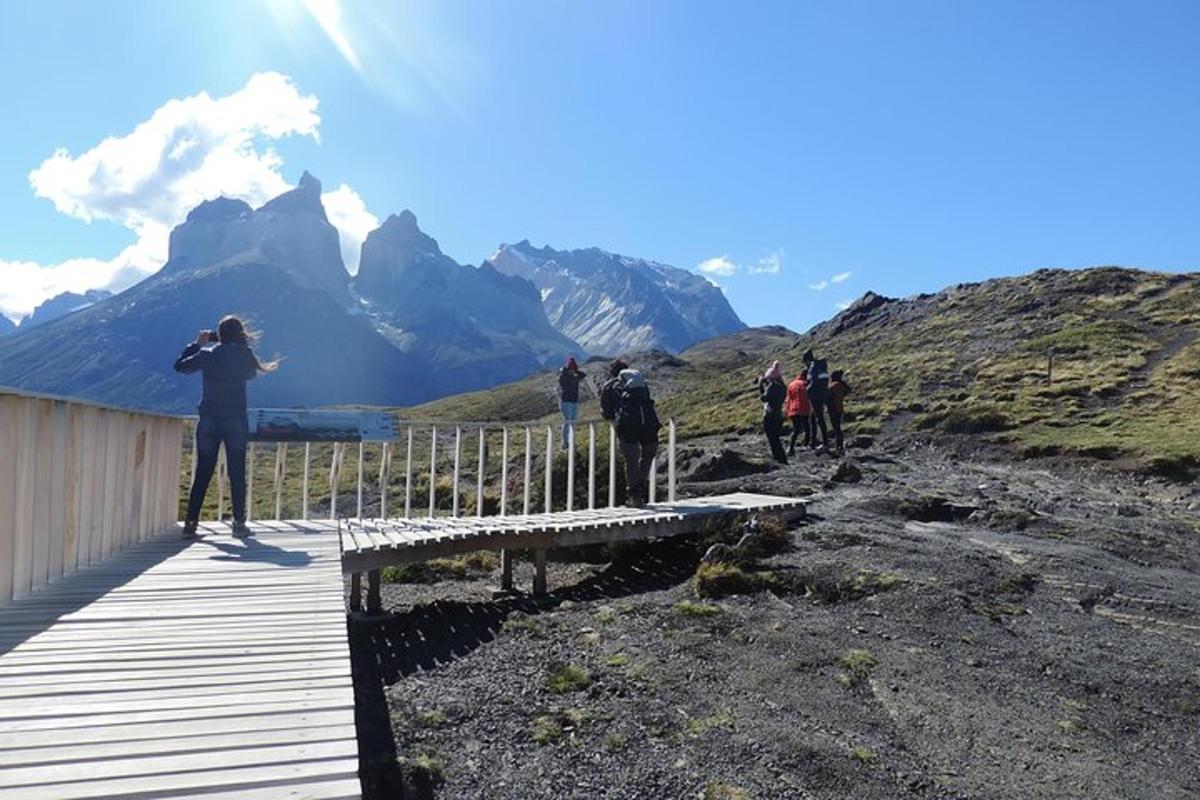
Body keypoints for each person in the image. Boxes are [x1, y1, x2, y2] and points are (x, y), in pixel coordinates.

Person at [174, 316, 278, 539]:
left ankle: (191, 524)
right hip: (236, 421)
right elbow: (250, 374)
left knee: (203, 472)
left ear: (219, 334)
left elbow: (180, 367)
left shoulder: (207, 354)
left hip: (210, 419)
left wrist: (198, 344)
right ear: (240, 333)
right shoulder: (245, 355)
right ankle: (239, 524)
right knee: (237, 472)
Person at [601, 363, 661, 507]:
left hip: (628, 425)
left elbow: (606, 412)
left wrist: (614, 419)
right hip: (649, 423)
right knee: (647, 457)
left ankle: (635, 496)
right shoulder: (640, 384)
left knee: (631, 460)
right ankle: (640, 490)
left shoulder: (610, 386)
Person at [759, 360, 788, 464]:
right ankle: (781, 458)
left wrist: (760, 386)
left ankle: (779, 459)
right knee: (776, 438)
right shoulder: (783, 386)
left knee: (772, 439)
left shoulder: (773, 386)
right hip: (778, 414)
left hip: (770, 415)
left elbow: (763, 398)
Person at [803, 349, 831, 451]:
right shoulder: (821, 366)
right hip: (822, 394)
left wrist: (807, 391)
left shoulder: (813, 367)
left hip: (815, 396)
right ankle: (813, 443)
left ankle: (825, 444)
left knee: (819, 419)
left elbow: (813, 382)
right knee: (813, 419)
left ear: (807, 360)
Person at [557, 356, 586, 449]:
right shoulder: (563, 376)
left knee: (573, 421)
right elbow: (561, 379)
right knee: (567, 421)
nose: (572, 370)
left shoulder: (575, 376)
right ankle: (565, 443)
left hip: (574, 401)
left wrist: (575, 372)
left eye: (574, 369)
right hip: (566, 401)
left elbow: (583, 375)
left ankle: (571, 441)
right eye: (571, 368)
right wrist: (566, 371)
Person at [786, 371, 813, 456]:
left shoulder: (791, 384)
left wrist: (788, 410)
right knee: (807, 428)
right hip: (804, 408)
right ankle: (807, 445)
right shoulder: (805, 384)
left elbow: (788, 399)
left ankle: (790, 447)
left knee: (796, 429)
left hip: (793, 409)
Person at [828, 370, 852, 455]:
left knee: (836, 428)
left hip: (833, 409)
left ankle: (839, 447)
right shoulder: (841, 385)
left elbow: (827, 396)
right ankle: (840, 447)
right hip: (839, 408)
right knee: (838, 428)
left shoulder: (834, 385)